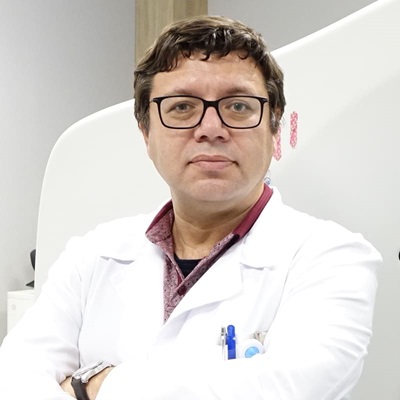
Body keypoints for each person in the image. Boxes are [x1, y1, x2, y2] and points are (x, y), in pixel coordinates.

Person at [0, 15, 381, 400]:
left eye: (238, 106)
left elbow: (294, 388)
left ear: (274, 127)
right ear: (146, 133)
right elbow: (15, 378)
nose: (211, 128)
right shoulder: (91, 255)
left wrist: (93, 385)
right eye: (182, 107)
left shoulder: (333, 257)